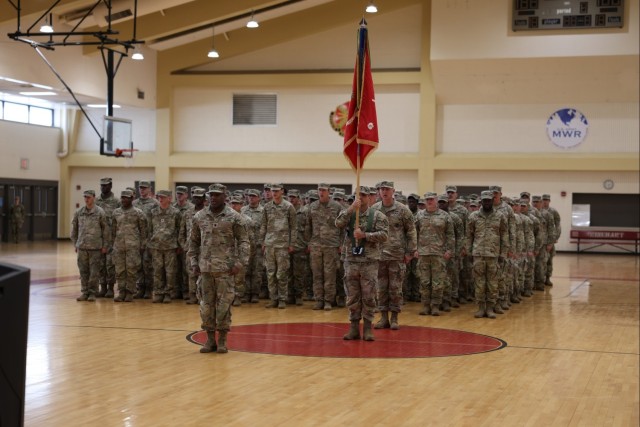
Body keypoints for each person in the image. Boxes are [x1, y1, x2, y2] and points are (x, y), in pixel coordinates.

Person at [188, 183, 250, 354]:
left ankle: (222, 339)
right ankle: (209, 340)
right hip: (205, 269)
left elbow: (244, 241)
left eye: (217, 195)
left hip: (225, 270)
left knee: (223, 306)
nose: (213, 198)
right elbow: (193, 242)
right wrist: (193, 262)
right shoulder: (199, 216)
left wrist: (240, 262)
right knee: (206, 306)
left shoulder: (234, 217)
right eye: (211, 195)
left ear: (225, 196)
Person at [335, 186, 388, 341]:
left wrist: (366, 235)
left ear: (370, 197)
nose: (361, 198)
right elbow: (338, 223)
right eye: (358, 195)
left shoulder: (378, 215)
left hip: (369, 261)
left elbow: (385, 235)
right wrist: (351, 208)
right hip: (351, 260)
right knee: (352, 295)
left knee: (369, 295)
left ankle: (367, 328)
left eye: (364, 195)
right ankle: (353, 327)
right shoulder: (349, 213)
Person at [370, 181, 417, 330]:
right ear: (378, 192)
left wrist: (410, 252)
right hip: (379, 255)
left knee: (395, 288)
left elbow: (411, 231)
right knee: (381, 288)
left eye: (387, 189)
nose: (384, 192)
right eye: (382, 189)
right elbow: (369, 231)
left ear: (393, 191)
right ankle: (383, 317)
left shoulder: (403, 210)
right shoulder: (374, 209)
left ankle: (395, 317)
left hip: (397, 255)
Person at [466, 191, 508, 319]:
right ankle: (480, 308)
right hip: (478, 254)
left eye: (489, 200)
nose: (487, 203)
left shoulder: (500, 216)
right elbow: (469, 235)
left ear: (492, 200)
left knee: (493, 283)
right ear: (481, 201)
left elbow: (504, 236)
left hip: (493, 254)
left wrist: (503, 253)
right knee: (479, 282)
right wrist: (469, 251)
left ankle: (490, 308)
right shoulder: (473, 216)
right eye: (485, 200)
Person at [414, 192, 454, 316]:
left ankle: (435, 305)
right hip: (423, 253)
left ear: (436, 200)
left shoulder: (445, 216)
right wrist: (414, 249)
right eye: (427, 200)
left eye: (431, 199)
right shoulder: (418, 216)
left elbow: (450, 235)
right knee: (424, 281)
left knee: (438, 282)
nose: (429, 201)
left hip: (439, 254)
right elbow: (413, 234)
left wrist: (449, 250)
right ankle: (426, 305)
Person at [305, 183, 343, 310]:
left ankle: (328, 300)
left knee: (330, 274)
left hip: (331, 245)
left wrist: (341, 244)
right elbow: (308, 226)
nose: (321, 192)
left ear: (329, 191)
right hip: (316, 245)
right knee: (317, 274)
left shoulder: (337, 207)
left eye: (324, 190)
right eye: (319, 190)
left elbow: (343, 228)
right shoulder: (312, 206)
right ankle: (319, 300)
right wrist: (309, 242)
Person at [260, 183, 297, 309]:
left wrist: (292, 244)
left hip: (283, 245)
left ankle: (282, 299)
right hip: (270, 244)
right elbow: (263, 225)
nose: (274, 193)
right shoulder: (267, 207)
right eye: (272, 191)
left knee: (281, 273)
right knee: (270, 273)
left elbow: (293, 227)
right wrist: (263, 242)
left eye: (276, 191)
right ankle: (273, 298)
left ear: (282, 191)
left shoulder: (288, 207)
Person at [71, 190, 109, 302]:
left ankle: (92, 292)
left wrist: (105, 245)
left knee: (94, 272)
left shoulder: (100, 212)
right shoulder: (79, 212)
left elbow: (105, 230)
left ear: (94, 198)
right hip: (82, 247)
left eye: (89, 197)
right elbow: (74, 229)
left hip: (95, 247)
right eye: (85, 197)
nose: (86, 199)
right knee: (83, 271)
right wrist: (75, 243)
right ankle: (84, 292)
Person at [111, 190, 147, 302]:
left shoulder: (138, 213)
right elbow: (113, 230)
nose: (124, 200)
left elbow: (143, 231)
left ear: (132, 198)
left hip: (133, 246)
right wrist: (113, 244)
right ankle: (121, 291)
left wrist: (142, 245)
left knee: (131, 270)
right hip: (119, 246)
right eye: (122, 197)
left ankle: (130, 292)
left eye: (126, 198)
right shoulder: (116, 212)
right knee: (120, 270)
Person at [147, 190, 182, 303]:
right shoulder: (153, 212)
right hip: (156, 246)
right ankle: (158, 293)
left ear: (169, 198)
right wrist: (149, 243)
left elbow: (179, 229)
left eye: (163, 197)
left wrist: (178, 245)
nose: (160, 199)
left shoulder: (176, 213)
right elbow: (149, 229)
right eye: (159, 197)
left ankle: (168, 293)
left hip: (170, 246)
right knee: (157, 270)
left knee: (170, 271)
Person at [178, 187, 207, 304]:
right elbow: (182, 232)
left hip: (205, 248)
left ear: (204, 199)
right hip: (191, 248)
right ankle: (192, 295)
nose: (197, 199)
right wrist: (185, 245)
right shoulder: (187, 213)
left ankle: (203, 296)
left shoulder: (208, 213)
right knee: (191, 272)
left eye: (199, 197)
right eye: (195, 197)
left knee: (204, 272)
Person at [133, 180, 159, 299]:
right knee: (138, 265)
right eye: (140, 188)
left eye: (144, 188)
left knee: (148, 265)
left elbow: (157, 221)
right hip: (136, 238)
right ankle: (140, 288)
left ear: (149, 189)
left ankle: (149, 289)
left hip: (149, 239)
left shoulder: (155, 203)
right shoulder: (134, 203)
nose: (142, 190)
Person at [96, 177, 121, 298]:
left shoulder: (116, 202)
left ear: (110, 186)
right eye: (101, 185)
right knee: (100, 264)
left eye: (105, 185)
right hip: (99, 238)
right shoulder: (96, 201)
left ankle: (110, 287)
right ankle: (103, 287)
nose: (103, 187)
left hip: (111, 238)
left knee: (110, 264)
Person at [229, 195, 254, 306]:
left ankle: (238, 296)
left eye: (237, 203)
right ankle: (228, 297)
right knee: (227, 276)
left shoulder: (247, 220)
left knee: (239, 276)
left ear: (241, 205)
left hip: (240, 252)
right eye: (232, 203)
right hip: (227, 252)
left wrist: (247, 253)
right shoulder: (225, 218)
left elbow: (250, 238)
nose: (234, 206)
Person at [241, 189, 265, 302]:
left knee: (257, 270)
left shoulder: (263, 211)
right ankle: (246, 293)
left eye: (254, 196)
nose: (251, 198)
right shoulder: (242, 211)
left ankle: (255, 293)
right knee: (245, 270)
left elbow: (266, 227)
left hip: (259, 246)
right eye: (250, 196)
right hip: (246, 245)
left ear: (259, 198)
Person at [288, 189, 308, 306]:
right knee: (288, 273)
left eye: (294, 197)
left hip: (300, 246)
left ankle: (299, 295)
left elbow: (308, 228)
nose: (291, 199)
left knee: (299, 274)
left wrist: (307, 243)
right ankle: (290, 295)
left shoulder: (305, 211)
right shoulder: (286, 210)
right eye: (290, 197)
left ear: (299, 198)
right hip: (287, 245)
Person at [173, 185, 194, 300]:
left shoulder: (191, 208)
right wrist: (178, 243)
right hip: (173, 243)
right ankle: (176, 291)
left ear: (186, 195)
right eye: (177, 193)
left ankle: (186, 290)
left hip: (187, 245)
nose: (179, 195)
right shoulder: (172, 207)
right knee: (176, 269)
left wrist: (184, 245)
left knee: (187, 270)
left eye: (181, 193)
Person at [542, 194, 561, 286]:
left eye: (547, 200)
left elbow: (557, 225)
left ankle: (547, 278)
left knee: (549, 260)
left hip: (550, 240)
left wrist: (555, 237)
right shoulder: (537, 211)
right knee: (540, 261)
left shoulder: (553, 212)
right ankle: (539, 279)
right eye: (544, 200)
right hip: (540, 241)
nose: (545, 201)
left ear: (549, 201)